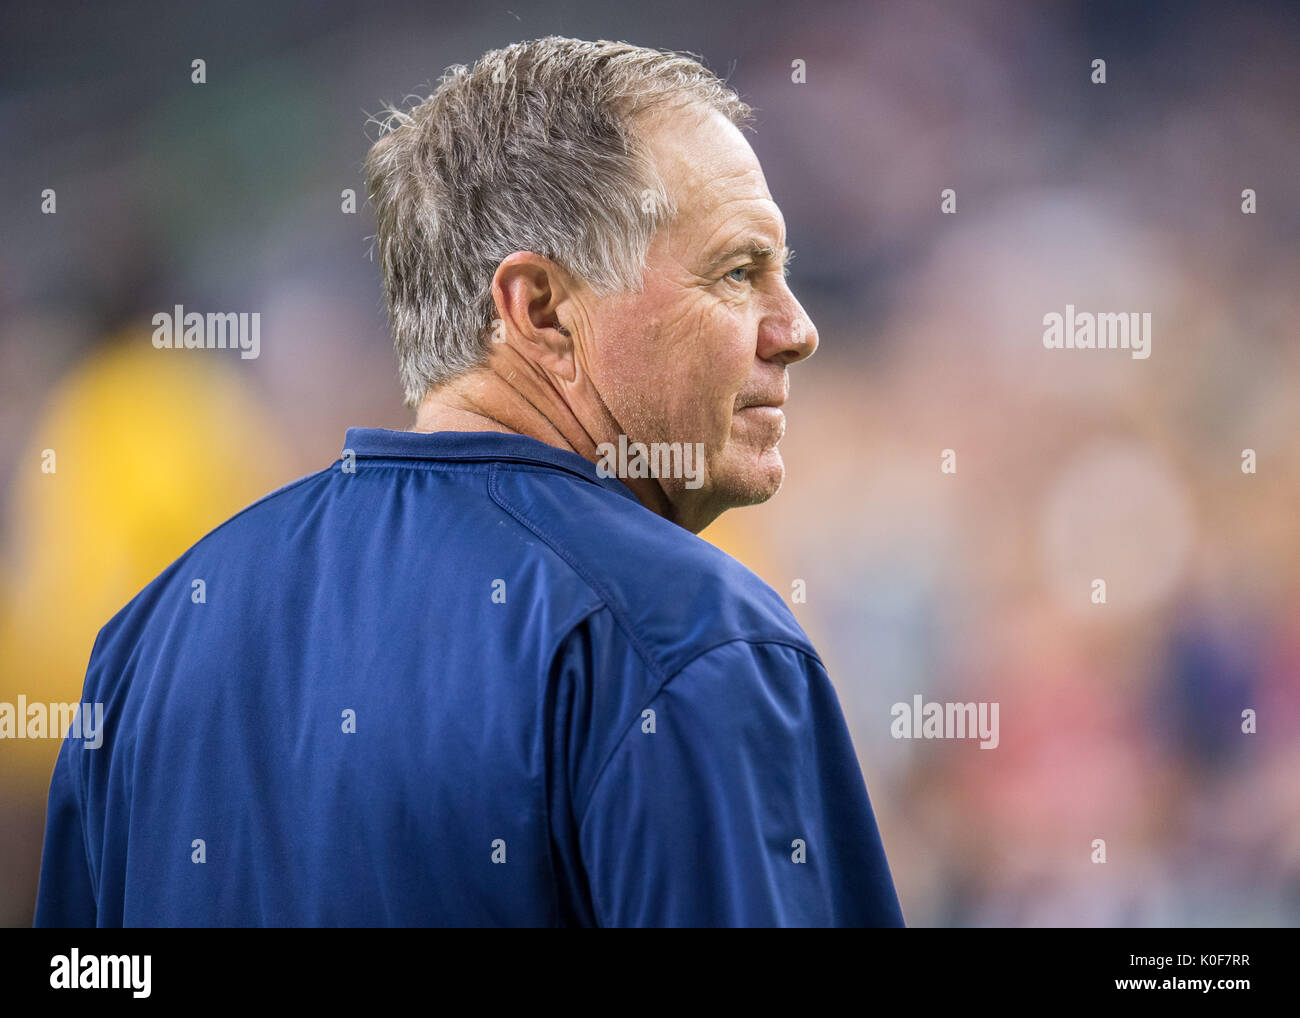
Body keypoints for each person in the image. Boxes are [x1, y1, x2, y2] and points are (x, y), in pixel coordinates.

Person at [34, 36, 904, 927]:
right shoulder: (687, 640)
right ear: (541, 309)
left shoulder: (152, 638)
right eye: (737, 271)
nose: (795, 327)